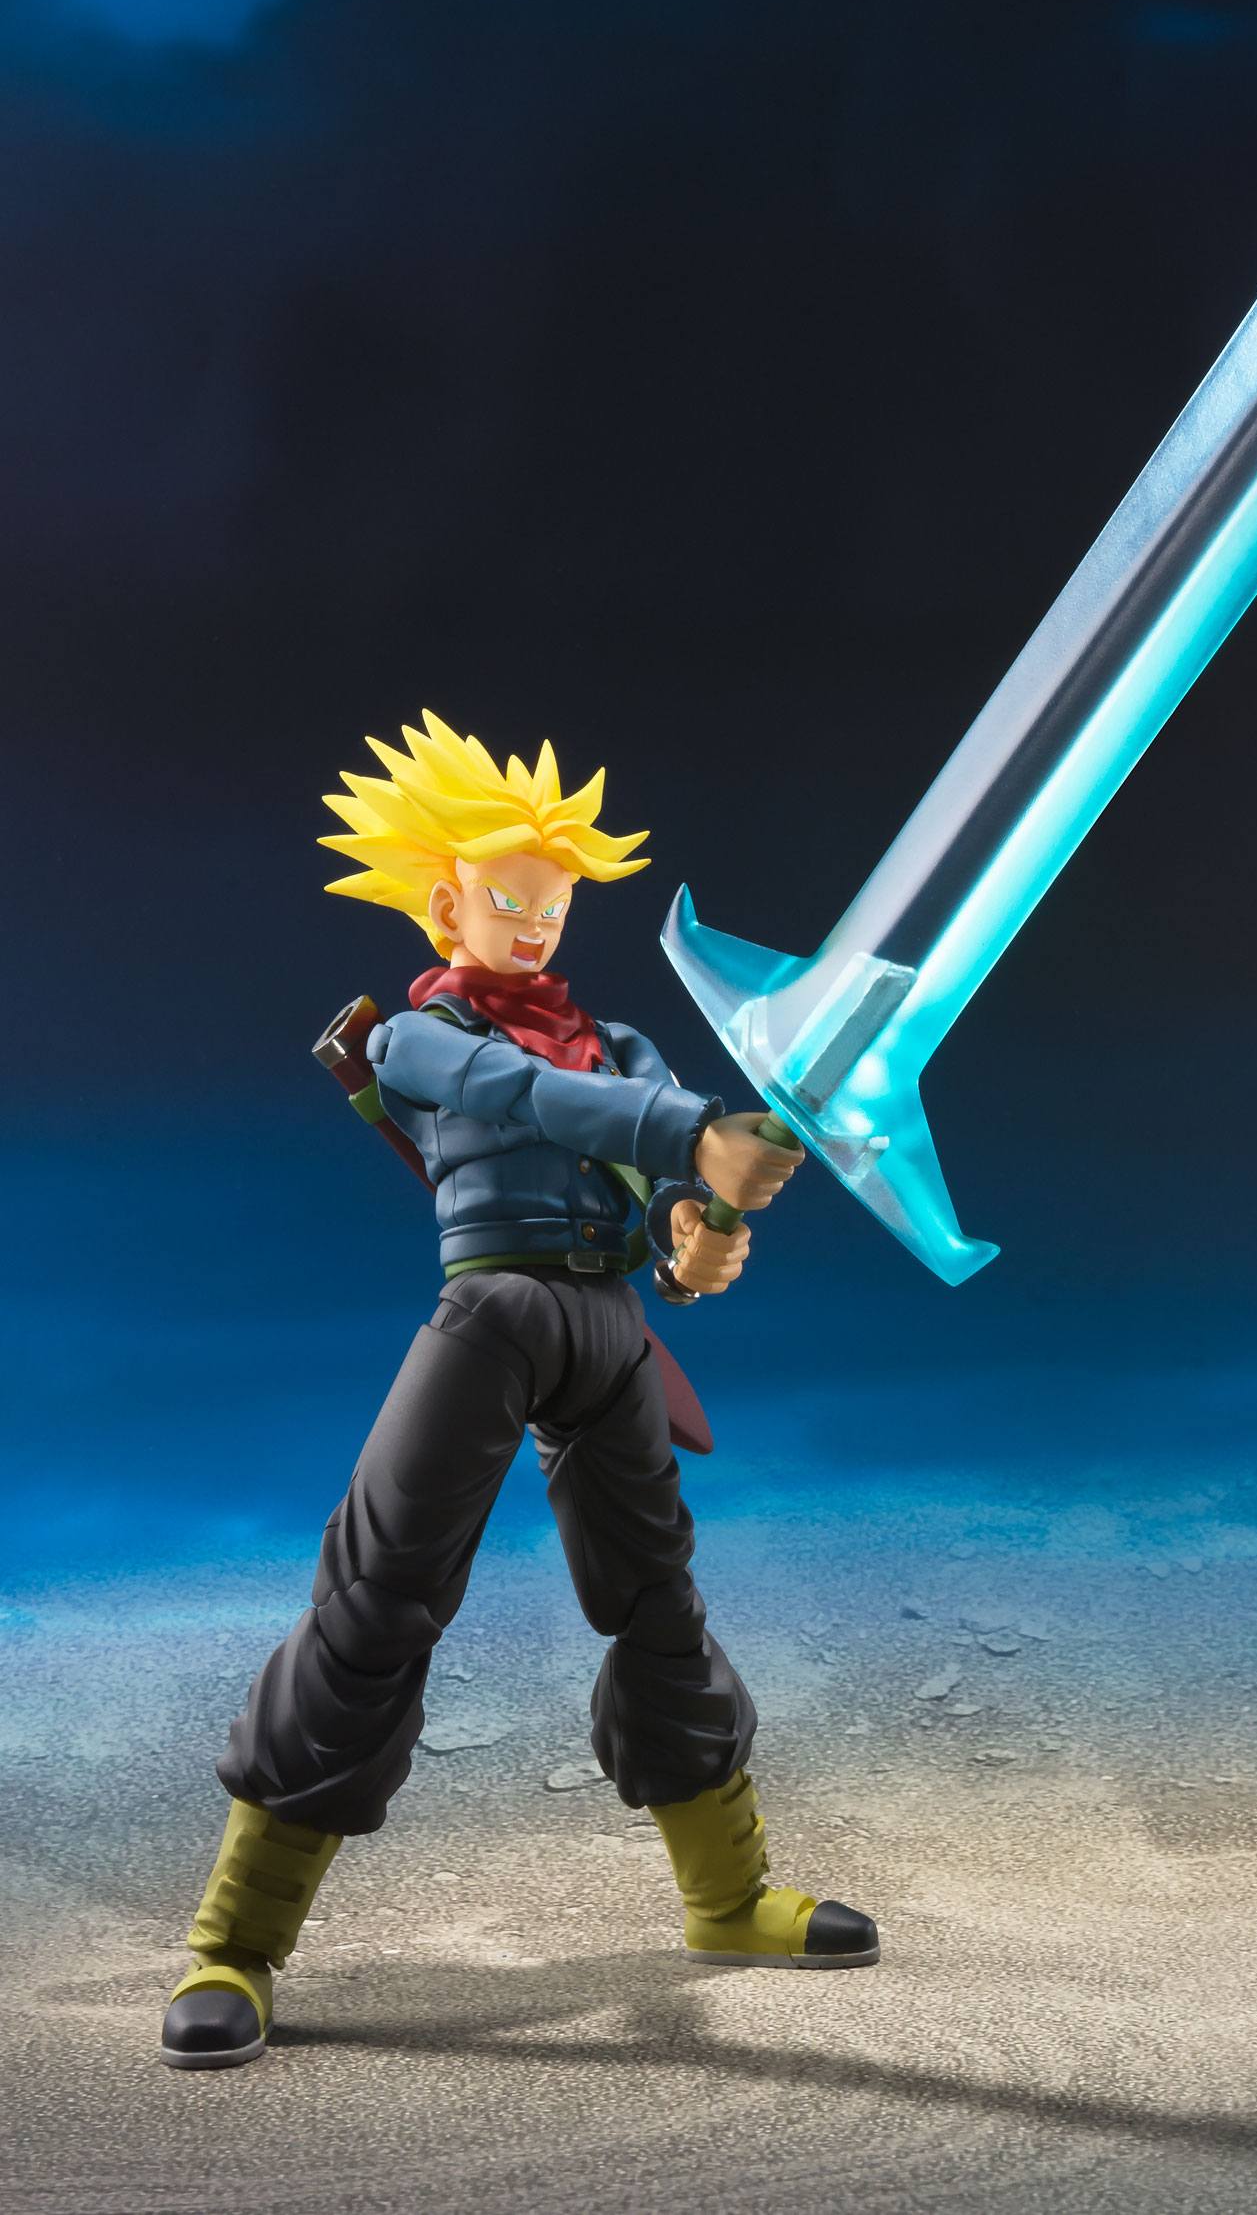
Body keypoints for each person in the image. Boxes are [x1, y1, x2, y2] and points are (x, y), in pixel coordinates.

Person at [160, 712, 878, 2071]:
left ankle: (727, 1897)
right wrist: (697, 1137)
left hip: (605, 1328)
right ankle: (235, 1943)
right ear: (448, 906)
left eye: (555, 905)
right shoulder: (420, 1042)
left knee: (657, 1599)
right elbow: (529, 1100)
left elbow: (655, 1201)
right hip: (491, 1318)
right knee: (380, 1597)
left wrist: (696, 1236)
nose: (537, 926)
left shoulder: (622, 1047)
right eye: (510, 900)